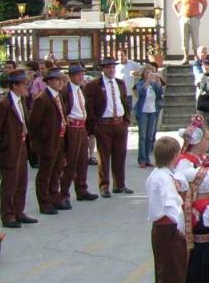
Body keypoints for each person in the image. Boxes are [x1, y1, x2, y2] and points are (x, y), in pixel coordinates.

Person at [145, 136, 194, 283]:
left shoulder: (158, 175)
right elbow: (171, 206)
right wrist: (182, 226)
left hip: (163, 229)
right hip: (168, 229)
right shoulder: (164, 179)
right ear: (175, 157)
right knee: (171, 277)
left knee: (171, 274)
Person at [0, 70, 35, 228]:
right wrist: (7, 139)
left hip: (21, 146)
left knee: (21, 180)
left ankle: (18, 211)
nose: (26, 86)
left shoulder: (20, 101)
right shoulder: (4, 104)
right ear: (14, 86)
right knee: (9, 183)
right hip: (10, 148)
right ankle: (8, 215)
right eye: (23, 84)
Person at [84, 57, 132, 197]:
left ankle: (119, 184)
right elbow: (90, 106)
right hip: (104, 124)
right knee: (104, 157)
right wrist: (95, 125)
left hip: (119, 123)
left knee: (120, 155)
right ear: (103, 69)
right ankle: (104, 186)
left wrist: (126, 119)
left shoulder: (120, 83)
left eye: (113, 67)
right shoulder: (94, 85)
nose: (111, 70)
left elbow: (125, 101)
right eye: (108, 67)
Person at [28, 67, 69, 215]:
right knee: (45, 173)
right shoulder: (42, 99)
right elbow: (34, 124)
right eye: (58, 80)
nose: (61, 82)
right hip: (48, 142)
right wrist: (38, 143)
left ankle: (54, 197)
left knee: (57, 171)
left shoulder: (58, 96)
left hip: (59, 139)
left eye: (61, 80)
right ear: (50, 81)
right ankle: (44, 202)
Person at [61, 64, 97, 203]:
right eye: (78, 75)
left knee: (83, 160)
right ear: (71, 76)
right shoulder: (66, 91)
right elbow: (62, 109)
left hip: (82, 127)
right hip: (72, 128)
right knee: (71, 162)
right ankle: (64, 193)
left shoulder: (81, 89)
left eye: (82, 74)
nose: (81, 77)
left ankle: (81, 189)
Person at [134, 65, 164, 168]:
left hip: (153, 111)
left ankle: (147, 158)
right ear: (143, 74)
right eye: (147, 73)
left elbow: (160, 95)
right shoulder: (140, 83)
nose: (149, 75)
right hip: (143, 112)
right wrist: (147, 81)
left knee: (150, 137)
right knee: (142, 137)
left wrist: (159, 83)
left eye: (150, 73)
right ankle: (141, 159)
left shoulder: (154, 84)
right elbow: (141, 93)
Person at [172, 0, 208, 64]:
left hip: (194, 18)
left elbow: (205, 3)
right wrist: (177, 13)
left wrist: (201, 14)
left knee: (195, 39)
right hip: (184, 18)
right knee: (184, 39)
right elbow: (174, 4)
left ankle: (197, 57)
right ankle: (186, 58)